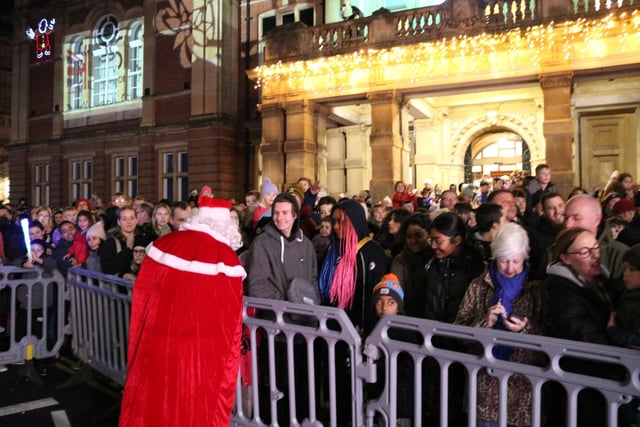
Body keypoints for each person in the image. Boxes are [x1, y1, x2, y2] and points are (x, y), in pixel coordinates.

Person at [119, 197, 246, 427]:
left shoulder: (168, 243)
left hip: (159, 341)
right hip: (200, 353)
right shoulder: (225, 258)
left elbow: (143, 289)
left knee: (154, 402)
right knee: (192, 409)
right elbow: (231, 322)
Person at [455, 223, 546, 427]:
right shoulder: (479, 286)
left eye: (516, 261)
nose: (510, 268)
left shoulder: (536, 289)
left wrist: (526, 327)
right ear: (495, 256)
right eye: (504, 260)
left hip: (524, 396)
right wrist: (484, 322)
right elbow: (458, 331)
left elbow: (551, 333)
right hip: (485, 394)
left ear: (525, 257)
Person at [246, 192, 319, 303]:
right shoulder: (261, 243)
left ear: (295, 215)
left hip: (306, 315)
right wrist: (286, 305)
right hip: (277, 315)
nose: (279, 218)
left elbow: (313, 280)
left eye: (285, 213)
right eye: (276, 213)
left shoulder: (306, 244)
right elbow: (257, 285)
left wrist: (314, 305)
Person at [367, 273, 413, 426]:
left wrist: (376, 362)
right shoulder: (373, 328)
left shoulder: (406, 332)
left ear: (399, 306)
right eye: (379, 301)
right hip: (377, 398)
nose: (384, 308)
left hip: (399, 404)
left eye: (391, 302)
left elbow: (404, 368)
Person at [390, 213, 432, 317]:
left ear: (429, 234)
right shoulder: (400, 261)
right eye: (409, 236)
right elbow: (396, 294)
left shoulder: (437, 259)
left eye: (418, 235)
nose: (413, 241)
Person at [100, 206, 138, 277]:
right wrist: (128, 249)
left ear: (136, 220)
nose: (129, 222)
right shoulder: (110, 243)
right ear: (119, 222)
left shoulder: (143, 239)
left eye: (132, 218)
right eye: (124, 219)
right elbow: (107, 269)